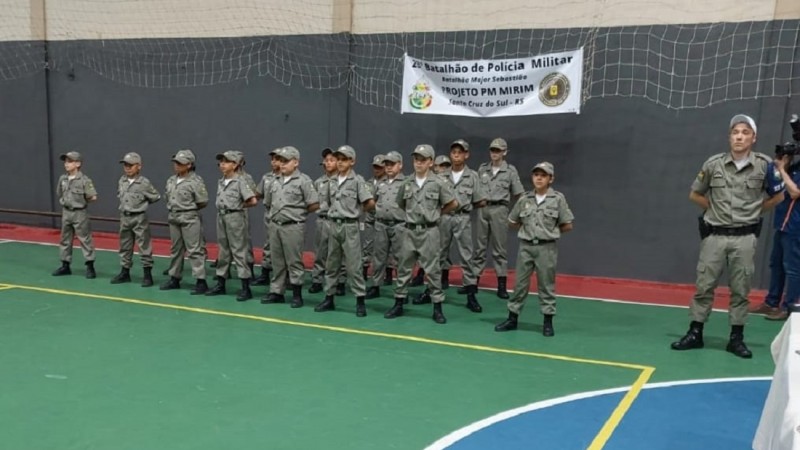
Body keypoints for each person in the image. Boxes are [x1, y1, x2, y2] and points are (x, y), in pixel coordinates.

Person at [671, 114, 782, 359]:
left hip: (744, 237)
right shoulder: (714, 164)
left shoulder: (764, 165)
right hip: (715, 236)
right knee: (704, 286)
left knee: (741, 288)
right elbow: (695, 194)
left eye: (745, 132)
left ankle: (736, 338)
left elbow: (778, 196)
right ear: (729, 137)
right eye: (735, 132)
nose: (739, 136)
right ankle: (695, 332)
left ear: (754, 138)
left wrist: (754, 211)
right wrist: (714, 211)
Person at [494, 162, 574, 336]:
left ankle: (547, 321)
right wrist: (527, 230)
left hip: (546, 248)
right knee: (519, 285)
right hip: (526, 247)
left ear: (550, 179)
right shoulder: (525, 199)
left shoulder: (557, 199)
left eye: (543, 175)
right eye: (536, 174)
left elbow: (567, 224)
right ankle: (512, 318)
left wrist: (549, 232)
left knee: (546, 285)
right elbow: (513, 220)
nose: (538, 178)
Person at [384, 144, 457, 324]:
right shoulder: (407, 182)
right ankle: (399, 303)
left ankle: (437, 307)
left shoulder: (438, 183)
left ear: (431, 162)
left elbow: (452, 203)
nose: (418, 163)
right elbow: (400, 203)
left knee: (433, 270)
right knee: (403, 269)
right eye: (416, 159)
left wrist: (437, 214)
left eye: (423, 160)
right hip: (409, 230)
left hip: (429, 231)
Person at [315, 145, 375, 317]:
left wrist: (355, 213)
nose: (340, 163)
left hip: (350, 226)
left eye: (344, 159)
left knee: (354, 265)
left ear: (352, 161)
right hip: (333, 224)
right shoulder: (331, 181)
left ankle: (360, 300)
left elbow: (369, 203)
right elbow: (325, 202)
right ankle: (329, 297)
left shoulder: (357, 181)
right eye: (338, 159)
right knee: (331, 263)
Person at [260, 146, 320, 307]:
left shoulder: (304, 181)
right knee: (277, 261)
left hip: (293, 226)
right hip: (275, 225)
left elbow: (314, 203)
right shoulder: (273, 180)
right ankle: (276, 292)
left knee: (294, 261)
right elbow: (268, 203)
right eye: (280, 161)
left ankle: (296, 294)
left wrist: (298, 213)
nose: (282, 164)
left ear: (296, 162)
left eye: (286, 161)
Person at [749, 149, 800, 320]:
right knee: (776, 264)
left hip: (796, 227)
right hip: (783, 225)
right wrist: (779, 166)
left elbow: (795, 192)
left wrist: (783, 170)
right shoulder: (794, 167)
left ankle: (788, 308)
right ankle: (771, 303)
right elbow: (777, 188)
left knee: (792, 269)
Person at [474, 138, 525, 299]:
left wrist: (517, 214)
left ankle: (501, 285)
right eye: (492, 150)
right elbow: (474, 190)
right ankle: (473, 282)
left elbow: (520, 194)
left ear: (504, 152)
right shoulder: (482, 169)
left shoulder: (510, 171)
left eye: (498, 150)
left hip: (500, 209)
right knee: (479, 247)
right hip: (483, 209)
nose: (494, 153)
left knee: (499, 249)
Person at [439, 139, 486, 310]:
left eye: (460, 152)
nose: (456, 155)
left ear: (467, 155)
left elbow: (480, 200)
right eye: (454, 152)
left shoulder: (472, 176)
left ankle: (471, 295)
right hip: (444, 218)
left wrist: (465, 207)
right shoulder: (442, 176)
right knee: (439, 255)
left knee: (467, 256)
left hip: (462, 218)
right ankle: (433, 291)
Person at [206, 151, 258, 301]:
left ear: (235, 165)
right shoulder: (221, 181)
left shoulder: (240, 181)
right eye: (221, 162)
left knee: (239, 251)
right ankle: (221, 283)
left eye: (226, 162)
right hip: (221, 216)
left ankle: (245, 287)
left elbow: (253, 201)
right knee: (223, 250)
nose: (222, 165)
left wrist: (238, 206)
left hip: (235, 216)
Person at [160, 149, 210, 294]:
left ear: (189, 165)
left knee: (195, 250)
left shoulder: (196, 181)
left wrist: (188, 209)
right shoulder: (171, 180)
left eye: (180, 163)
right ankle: (174, 278)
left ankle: (201, 281)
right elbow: (167, 197)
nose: (176, 165)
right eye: (175, 162)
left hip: (189, 218)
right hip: (174, 217)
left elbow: (202, 201)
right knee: (176, 249)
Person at [110, 152, 161, 287]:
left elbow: (155, 196)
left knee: (144, 246)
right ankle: (125, 272)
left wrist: (141, 205)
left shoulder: (143, 183)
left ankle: (147, 274)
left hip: (139, 217)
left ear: (139, 166)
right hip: (125, 216)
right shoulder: (122, 180)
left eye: (131, 165)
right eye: (125, 165)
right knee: (125, 246)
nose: (127, 168)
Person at [52, 151, 98, 279]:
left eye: (70, 161)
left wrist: (80, 203)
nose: (66, 164)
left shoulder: (84, 180)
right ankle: (65, 265)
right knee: (65, 239)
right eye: (66, 161)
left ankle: (90, 266)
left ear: (78, 164)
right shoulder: (63, 179)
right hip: (66, 212)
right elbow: (59, 193)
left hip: (79, 213)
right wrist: (64, 202)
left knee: (85, 239)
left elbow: (92, 197)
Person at [366, 151, 406, 299]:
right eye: (387, 164)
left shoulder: (405, 183)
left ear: (400, 165)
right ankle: (375, 286)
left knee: (400, 259)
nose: (389, 167)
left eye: (392, 164)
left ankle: (401, 290)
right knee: (378, 257)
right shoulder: (380, 184)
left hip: (399, 225)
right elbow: (373, 202)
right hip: (381, 224)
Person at [309, 147, 346, 293]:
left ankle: (341, 281)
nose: (329, 163)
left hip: (337, 221)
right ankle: (317, 280)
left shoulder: (342, 182)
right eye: (326, 160)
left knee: (339, 253)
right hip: (322, 220)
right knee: (320, 252)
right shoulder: (319, 182)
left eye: (332, 160)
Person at [252, 149, 283, 286]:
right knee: (268, 244)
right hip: (269, 213)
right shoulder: (267, 177)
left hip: (284, 215)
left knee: (285, 247)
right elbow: (258, 194)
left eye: (277, 159)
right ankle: (265, 273)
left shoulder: (288, 178)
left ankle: (286, 276)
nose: (273, 161)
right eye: (272, 159)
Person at [361, 154, 385, 280]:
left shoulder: (387, 183)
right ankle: (364, 270)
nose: (377, 169)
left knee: (385, 249)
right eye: (375, 167)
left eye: (380, 167)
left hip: (384, 220)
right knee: (367, 245)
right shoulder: (368, 183)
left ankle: (388, 274)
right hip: (370, 219)